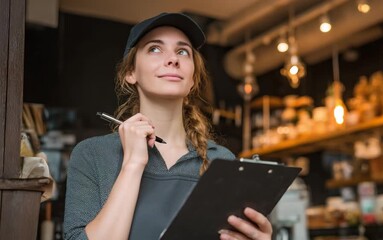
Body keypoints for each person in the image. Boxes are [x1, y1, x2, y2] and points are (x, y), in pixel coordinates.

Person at [63, 12, 273, 240]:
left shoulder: (222, 160)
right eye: (155, 48)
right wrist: (133, 164)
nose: (173, 59)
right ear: (130, 72)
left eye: (182, 51)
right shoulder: (92, 155)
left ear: (193, 79)